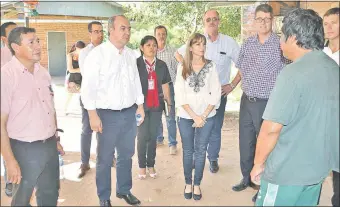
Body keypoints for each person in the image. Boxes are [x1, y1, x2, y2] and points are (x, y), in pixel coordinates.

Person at [250, 8, 339, 206]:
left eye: (282, 35)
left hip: (286, 174)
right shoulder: (333, 68)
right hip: (317, 172)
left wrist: (258, 164)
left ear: (294, 38)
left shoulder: (292, 73)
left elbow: (271, 130)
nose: (280, 43)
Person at [81, 15, 144, 206]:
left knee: (126, 155)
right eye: (123, 28)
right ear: (111, 30)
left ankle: (124, 190)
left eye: (129, 29)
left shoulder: (131, 55)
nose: (127, 32)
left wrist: (140, 104)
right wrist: (92, 115)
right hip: (106, 115)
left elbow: (135, 82)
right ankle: (104, 197)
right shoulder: (97, 55)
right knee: (105, 158)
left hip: (129, 113)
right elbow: (88, 88)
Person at [1, 27, 65, 206]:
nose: (38, 46)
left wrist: (56, 139)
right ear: (15, 47)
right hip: (23, 149)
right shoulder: (6, 76)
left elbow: (50, 109)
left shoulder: (43, 73)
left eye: (38, 41)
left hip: (49, 146)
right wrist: (9, 160)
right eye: (31, 42)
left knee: (50, 193)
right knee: (21, 199)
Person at [232, 4, 289, 202]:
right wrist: (231, 86)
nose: (263, 22)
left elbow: (289, 74)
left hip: (268, 103)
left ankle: (263, 185)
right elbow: (241, 69)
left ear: (272, 20)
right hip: (247, 101)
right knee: (245, 142)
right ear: (254, 21)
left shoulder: (280, 44)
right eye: (260, 19)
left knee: (265, 145)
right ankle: (246, 178)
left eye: (267, 18)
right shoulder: (248, 43)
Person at [176, 9, 241, 174]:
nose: (211, 22)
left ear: (219, 21)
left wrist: (232, 85)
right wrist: (187, 69)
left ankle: (212, 159)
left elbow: (243, 65)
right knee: (193, 126)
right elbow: (178, 54)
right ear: (204, 23)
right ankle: (194, 158)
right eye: (208, 20)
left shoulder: (229, 43)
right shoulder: (198, 40)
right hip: (195, 95)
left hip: (217, 96)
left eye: (214, 19)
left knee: (214, 128)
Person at [175, 33, 221, 201]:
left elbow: (216, 93)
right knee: (188, 151)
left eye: (203, 44)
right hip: (186, 116)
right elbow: (179, 95)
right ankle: (188, 183)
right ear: (191, 47)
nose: (201, 47)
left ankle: (197, 184)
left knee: (201, 151)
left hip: (207, 116)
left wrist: (203, 116)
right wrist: (195, 116)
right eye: (197, 44)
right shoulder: (182, 67)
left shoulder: (211, 66)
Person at [77, 21, 109, 178]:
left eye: (101, 31)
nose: (100, 34)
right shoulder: (85, 52)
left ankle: (108, 158)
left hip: (106, 98)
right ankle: (84, 162)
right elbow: (88, 76)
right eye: (96, 31)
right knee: (87, 130)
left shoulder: (109, 50)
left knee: (106, 130)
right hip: (89, 98)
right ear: (89, 34)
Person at [136, 35, 171, 179]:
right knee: (142, 136)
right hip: (140, 107)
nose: (152, 48)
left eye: (154, 45)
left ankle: (151, 164)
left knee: (152, 136)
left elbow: (165, 85)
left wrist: (169, 104)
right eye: (148, 45)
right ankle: (141, 166)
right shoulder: (135, 64)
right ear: (141, 47)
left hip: (157, 106)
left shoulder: (162, 65)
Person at [323, 7, 340, 207]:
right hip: (323, 117)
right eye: (325, 23)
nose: (328, 27)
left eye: (333, 23)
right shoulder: (322, 52)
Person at [154, 25, 178, 155]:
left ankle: (172, 143)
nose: (161, 36)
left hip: (170, 88)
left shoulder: (173, 51)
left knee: (170, 116)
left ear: (166, 35)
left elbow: (176, 70)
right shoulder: (152, 51)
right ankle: (159, 138)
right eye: (159, 34)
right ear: (155, 35)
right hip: (155, 90)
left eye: (163, 34)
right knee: (156, 115)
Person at [0, 21, 17, 198]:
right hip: (5, 109)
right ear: (4, 38)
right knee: (7, 145)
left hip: (22, 111)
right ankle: (10, 181)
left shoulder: (23, 53)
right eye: (12, 32)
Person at [64, 40, 85, 115]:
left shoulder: (83, 55)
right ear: (76, 48)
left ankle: (84, 110)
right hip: (72, 78)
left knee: (84, 94)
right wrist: (81, 69)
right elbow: (70, 70)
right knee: (70, 95)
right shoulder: (70, 55)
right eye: (80, 49)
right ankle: (65, 109)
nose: (81, 51)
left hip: (81, 77)